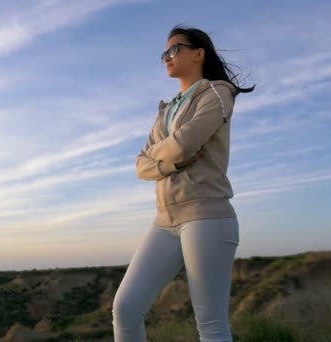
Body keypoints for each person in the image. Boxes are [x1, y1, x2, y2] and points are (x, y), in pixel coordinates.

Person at [111, 25, 255, 342]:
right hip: (164, 220)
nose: (167, 57)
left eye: (174, 49)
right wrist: (170, 162)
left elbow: (185, 142)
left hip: (207, 216)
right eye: (164, 53)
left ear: (198, 53)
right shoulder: (165, 110)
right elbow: (141, 164)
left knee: (211, 324)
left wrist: (158, 155)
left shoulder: (218, 93)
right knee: (125, 308)